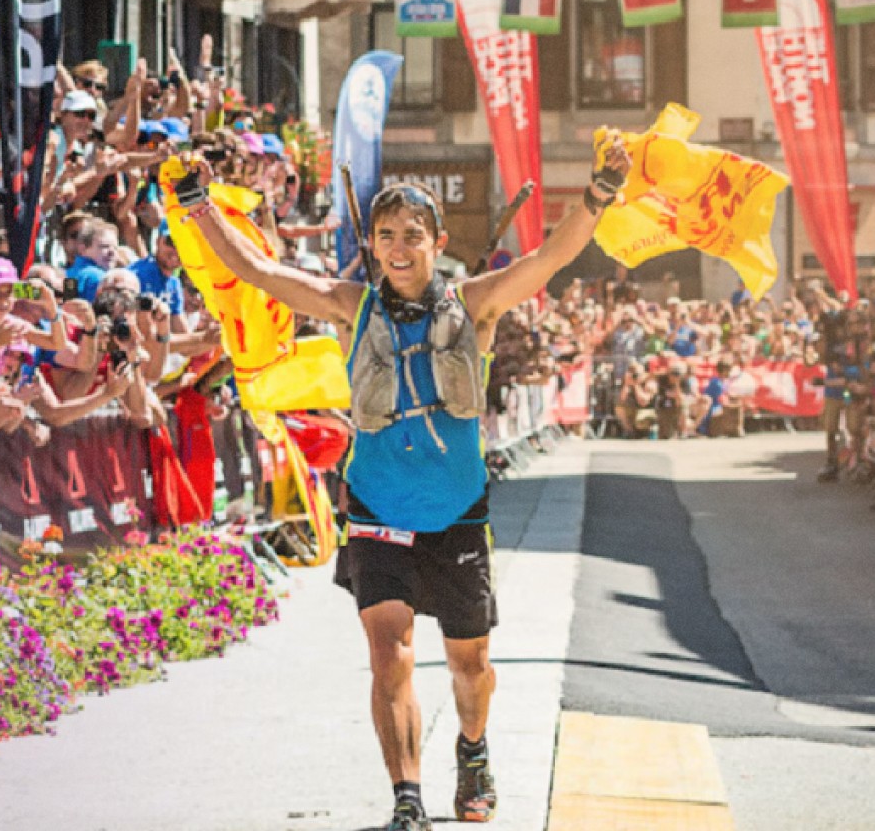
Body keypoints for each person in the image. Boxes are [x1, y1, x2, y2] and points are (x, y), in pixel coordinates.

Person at [168, 132, 630, 831]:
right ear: (373, 244)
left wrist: (599, 192)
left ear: (436, 239)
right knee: (391, 659)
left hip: (456, 511)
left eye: (413, 234)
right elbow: (260, 272)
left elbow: (549, 257)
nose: (399, 247)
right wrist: (200, 207)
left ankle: (473, 753)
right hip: (378, 507)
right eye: (386, 235)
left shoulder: (476, 302)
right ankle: (406, 799)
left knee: (470, 664)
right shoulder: (351, 305)